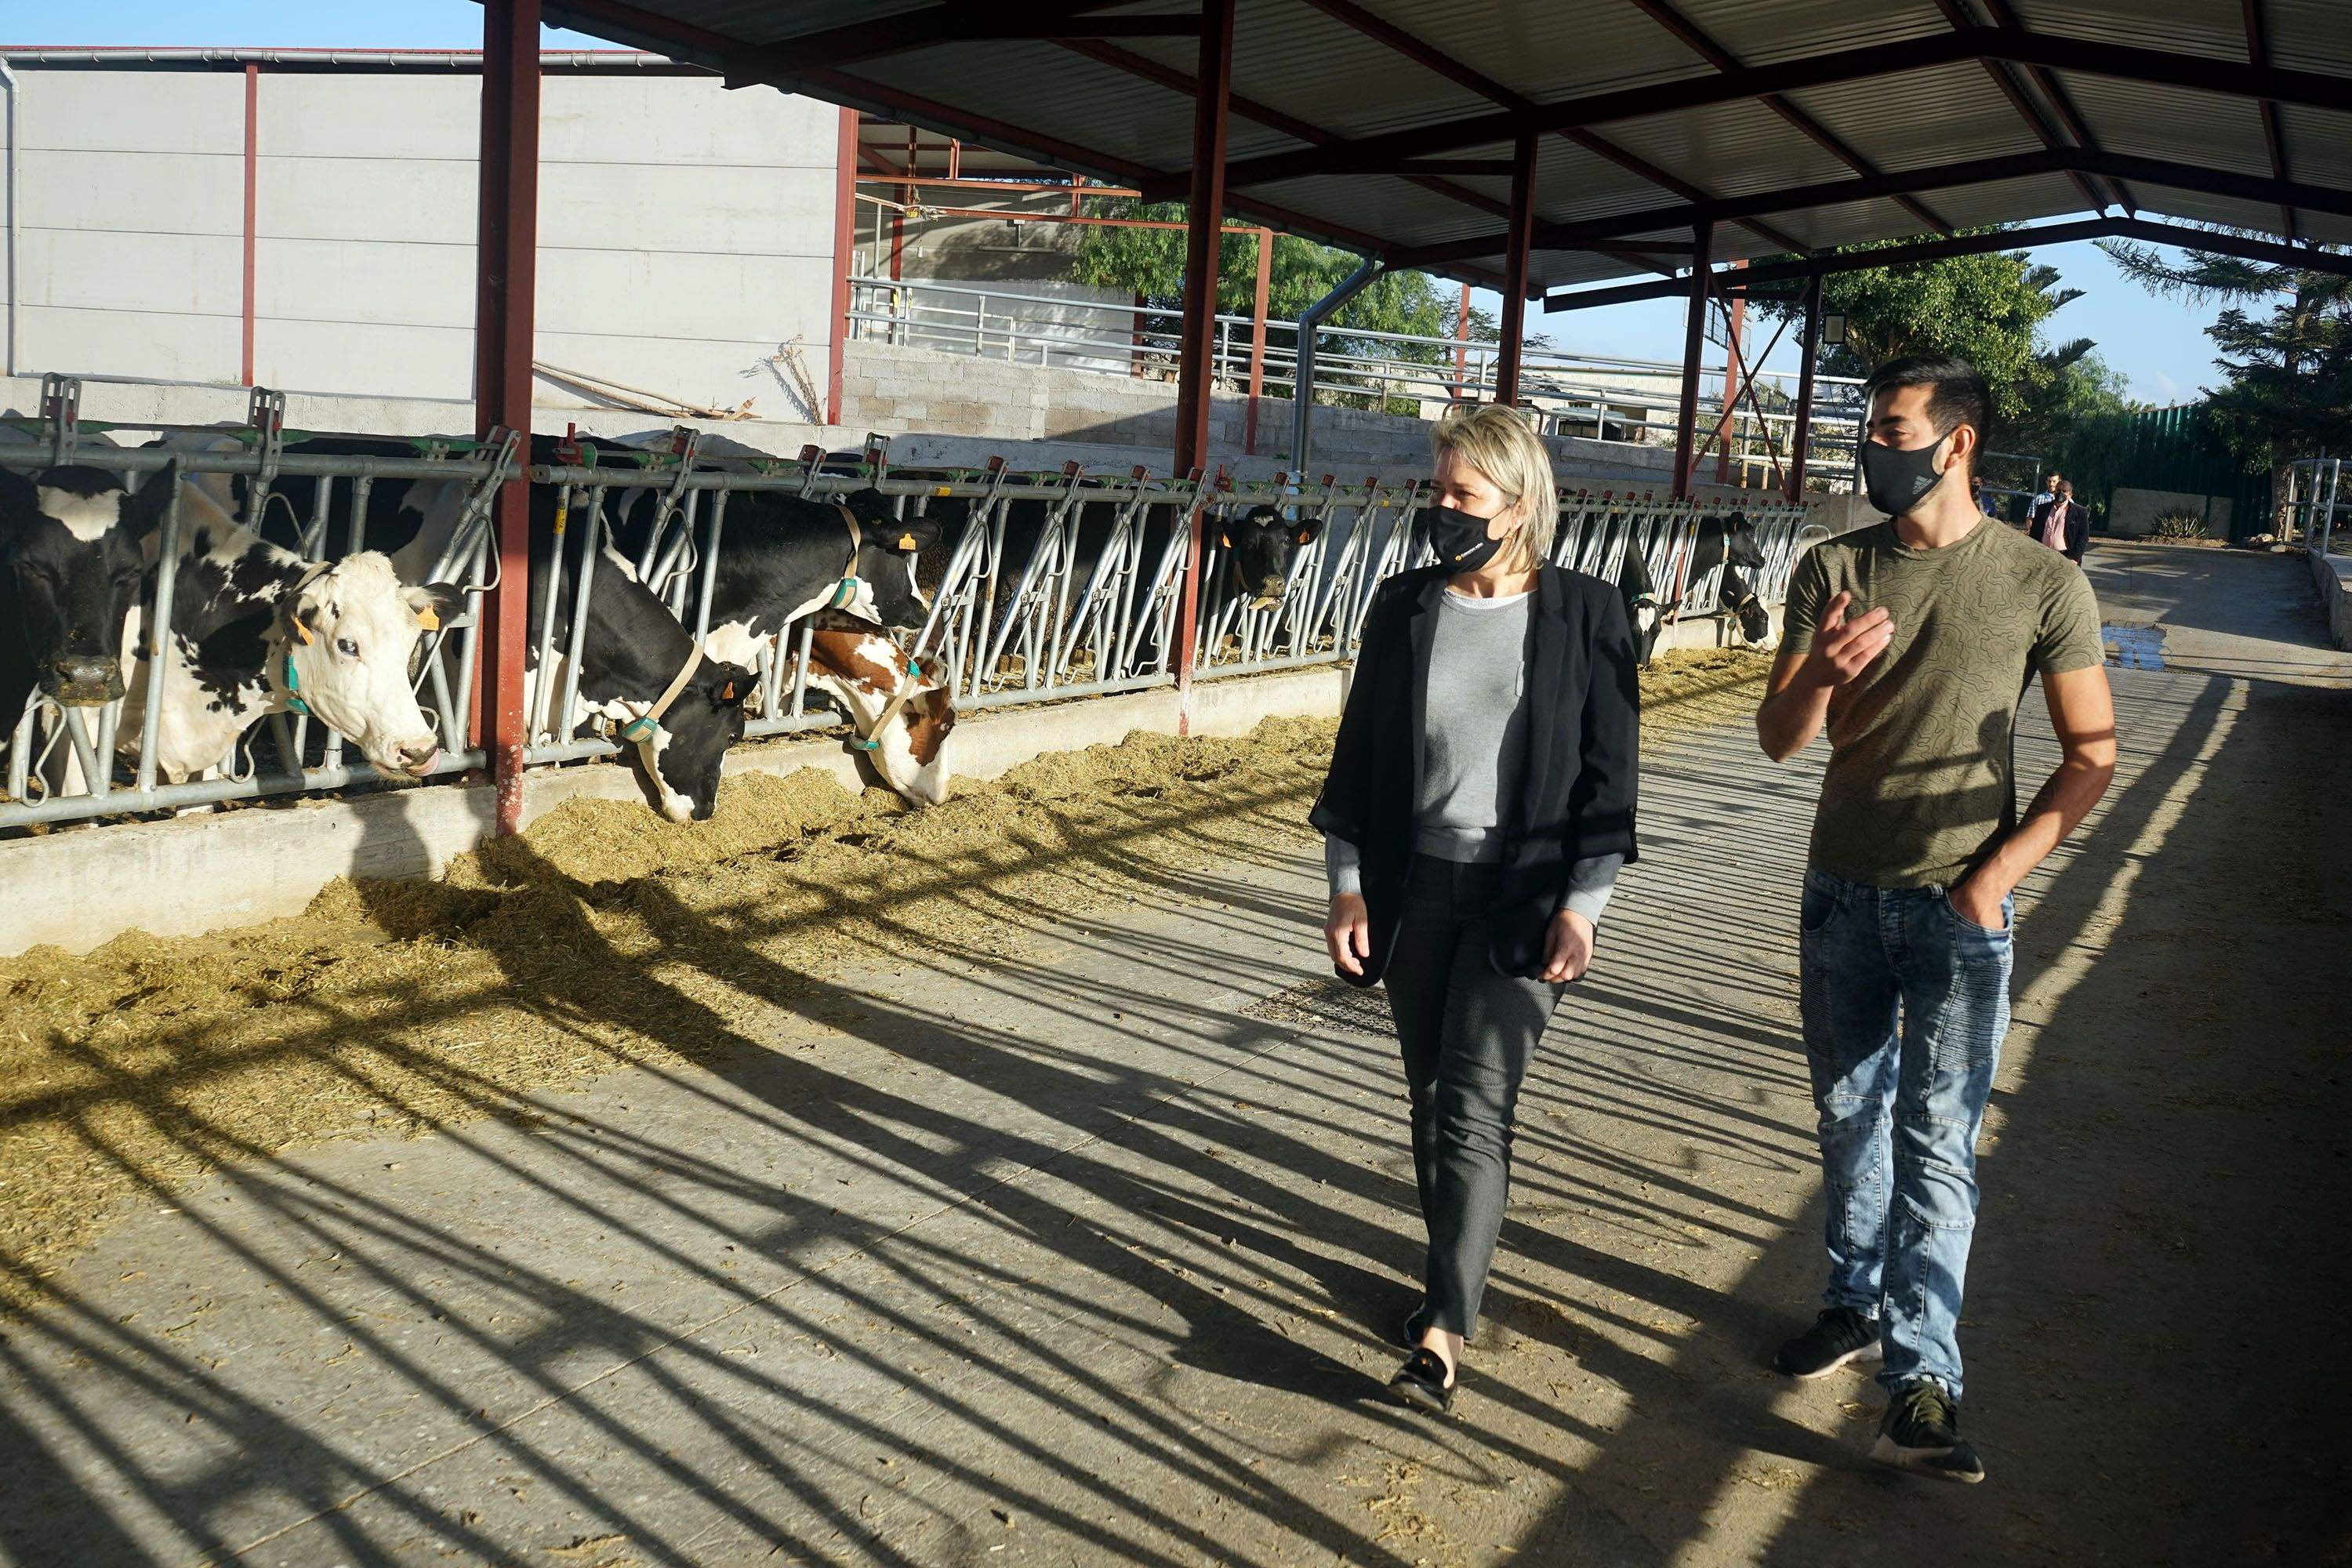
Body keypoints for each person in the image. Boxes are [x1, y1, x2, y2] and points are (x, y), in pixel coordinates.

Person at [1755, 356, 2116, 1484]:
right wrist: (1822, 678)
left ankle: (1924, 1380)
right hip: (1841, 895)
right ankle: (1850, 1302)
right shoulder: (1834, 566)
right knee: (1848, 1118)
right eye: (1873, 425)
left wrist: (1997, 875)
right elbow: (1780, 739)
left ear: (1955, 442)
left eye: (1891, 426)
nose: (1874, 444)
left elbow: (2091, 756)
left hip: (1960, 910)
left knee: (1937, 1145)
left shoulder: (2040, 583)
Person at [1312, 402, 1640, 1417]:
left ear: (1519, 504)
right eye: (1436, 490)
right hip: (1417, 892)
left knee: (1472, 1105)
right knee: (1429, 1105)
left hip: (1524, 904)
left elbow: (1608, 780)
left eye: (1463, 495)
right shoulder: (1404, 607)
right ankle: (1444, 1282)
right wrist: (1346, 889)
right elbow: (1359, 766)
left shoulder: (1588, 615)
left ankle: (1444, 1332)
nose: (1441, 509)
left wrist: (1583, 908)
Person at [2033, 478, 2089, 564]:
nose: (2060, 493)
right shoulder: (2043, 508)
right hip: (2043, 555)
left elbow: (2083, 538)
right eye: (2058, 490)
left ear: (2070, 495)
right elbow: (2034, 532)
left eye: (2064, 491)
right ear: (2055, 491)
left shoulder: (2079, 512)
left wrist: (2074, 558)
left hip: (2066, 557)